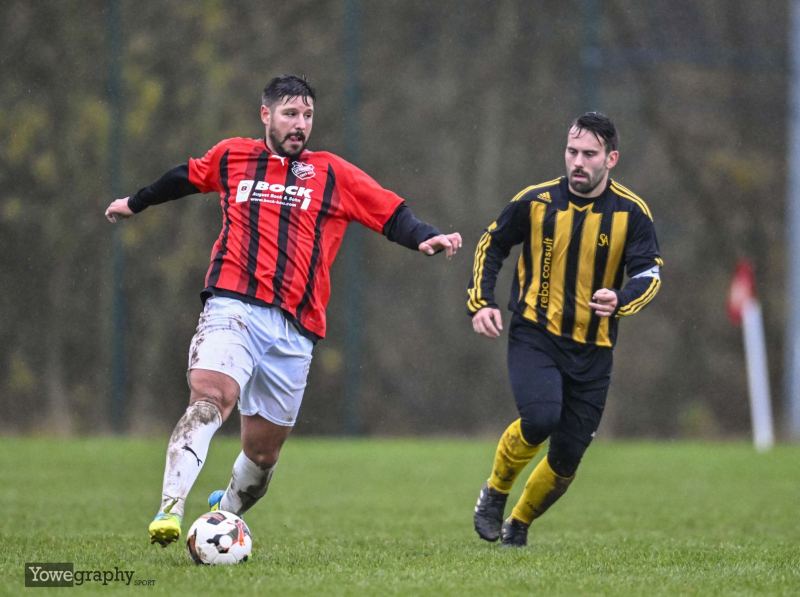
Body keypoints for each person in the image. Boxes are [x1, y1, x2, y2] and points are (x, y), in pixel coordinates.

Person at [104, 75, 462, 547]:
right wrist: (135, 202)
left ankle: (220, 518)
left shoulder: (331, 173)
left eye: (308, 116)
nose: (300, 125)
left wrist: (424, 237)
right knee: (211, 397)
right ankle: (169, 510)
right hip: (232, 304)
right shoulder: (233, 156)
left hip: (296, 329)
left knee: (262, 458)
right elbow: (183, 178)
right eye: (290, 114)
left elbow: (390, 212)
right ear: (265, 115)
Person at [467, 112, 662, 547]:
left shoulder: (632, 213)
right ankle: (494, 494)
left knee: (569, 455)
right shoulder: (535, 201)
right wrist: (481, 302)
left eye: (589, 154)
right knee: (540, 417)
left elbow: (650, 274)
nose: (578, 161)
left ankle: (518, 525)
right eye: (572, 151)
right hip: (535, 334)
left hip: (594, 350)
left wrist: (622, 298)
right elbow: (492, 243)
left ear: (611, 158)